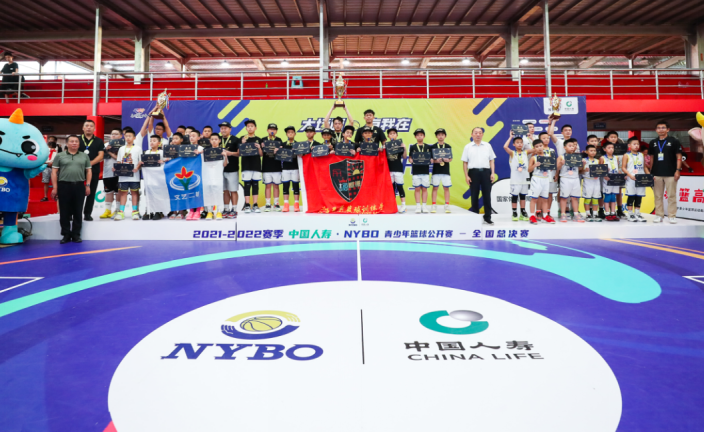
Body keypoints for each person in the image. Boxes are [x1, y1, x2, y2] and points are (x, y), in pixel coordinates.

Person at [51, 135, 92, 244]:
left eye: (76, 141)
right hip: (64, 185)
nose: (74, 143)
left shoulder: (84, 156)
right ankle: (65, 234)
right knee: (64, 211)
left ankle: (76, 234)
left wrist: (87, 185)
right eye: (72, 141)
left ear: (79, 144)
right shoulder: (60, 156)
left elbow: (88, 171)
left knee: (78, 211)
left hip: (79, 185)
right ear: (67, 143)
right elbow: (54, 172)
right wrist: (55, 188)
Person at [648, 121, 682, 224]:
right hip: (656, 173)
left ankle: (672, 216)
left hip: (671, 173)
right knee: (658, 196)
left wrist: (678, 170)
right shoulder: (653, 142)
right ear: (656, 130)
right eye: (658, 128)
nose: (661, 129)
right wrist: (651, 172)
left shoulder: (674, 141)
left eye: (663, 127)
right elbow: (651, 158)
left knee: (671, 195)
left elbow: (679, 156)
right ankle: (659, 215)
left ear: (668, 129)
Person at [462, 127, 498, 225]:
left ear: (482, 134)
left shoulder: (487, 145)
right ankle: (475, 217)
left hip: (486, 172)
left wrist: (492, 173)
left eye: (480, 133)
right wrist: (466, 176)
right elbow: (465, 162)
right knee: (474, 195)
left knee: (487, 195)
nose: (478, 134)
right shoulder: (468, 147)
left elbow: (491, 160)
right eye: (476, 133)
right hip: (473, 173)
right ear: (472, 134)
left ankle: (487, 217)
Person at [79, 119, 105, 221]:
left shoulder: (99, 141)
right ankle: (75, 213)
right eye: (86, 125)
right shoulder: (77, 140)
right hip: (78, 170)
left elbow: (101, 156)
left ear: (94, 128)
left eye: (91, 126)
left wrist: (89, 164)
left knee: (91, 192)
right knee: (77, 193)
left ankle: (87, 214)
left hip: (94, 170)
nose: (88, 127)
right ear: (83, 128)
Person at [114, 129, 143, 221]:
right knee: (123, 193)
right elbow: (119, 161)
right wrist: (116, 168)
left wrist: (137, 168)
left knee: (134, 193)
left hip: (134, 176)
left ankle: (134, 211)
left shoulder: (138, 148)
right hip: (123, 176)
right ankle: (121, 212)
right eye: (126, 136)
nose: (128, 138)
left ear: (134, 138)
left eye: (130, 136)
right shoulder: (121, 149)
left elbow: (140, 161)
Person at [556, 139, 585, 223]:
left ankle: (576, 214)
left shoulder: (577, 157)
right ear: (564, 147)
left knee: (574, 197)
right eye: (570, 146)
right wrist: (561, 163)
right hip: (565, 178)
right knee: (564, 197)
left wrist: (583, 164)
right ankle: (563, 214)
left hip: (575, 178)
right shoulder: (561, 157)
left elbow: (579, 169)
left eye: (573, 146)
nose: (572, 147)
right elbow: (557, 168)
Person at [503, 133, 530, 222]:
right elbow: (505, 147)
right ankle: (514, 212)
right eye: (517, 142)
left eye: (521, 142)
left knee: (523, 196)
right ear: (514, 144)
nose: (519, 144)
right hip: (515, 179)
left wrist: (531, 137)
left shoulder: (526, 152)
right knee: (514, 196)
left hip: (525, 179)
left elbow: (536, 149)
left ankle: (523, 211)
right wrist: (510, 137)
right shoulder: (512, 153)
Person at [528, 140, 556, 225]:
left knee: (545, 199)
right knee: (534, 199)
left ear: (543, 146)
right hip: (537, 179)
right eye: (537, 147)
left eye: (540, 146)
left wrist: (551, 167)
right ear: (534, 148)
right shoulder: (533, 158)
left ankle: (545, 215)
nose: (539, 148)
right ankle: (532, 216)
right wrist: (534, 165)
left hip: (546, 179)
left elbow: (552, 167)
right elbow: (529, 170)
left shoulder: (548, 157)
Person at [142, 135, 169, 221]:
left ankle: (158, 211)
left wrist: (163, 161)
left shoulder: (162, 152)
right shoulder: (146, 152)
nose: (152, 142)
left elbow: (168, 161)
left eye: (154, 141)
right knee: (149, 194)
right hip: (148, 177)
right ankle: (149, 211)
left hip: (158, 178)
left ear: (159, 143)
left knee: (158, 194)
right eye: (150, 141)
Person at [623, 137, 649, 223]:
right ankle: (630, 214)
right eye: (634, 144)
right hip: (631, 178)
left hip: (640, 178)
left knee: (639, 196)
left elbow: (644, 167)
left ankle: (637, 213)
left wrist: (649, 175)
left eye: (638, 144)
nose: (636, 146)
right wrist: (630, 175)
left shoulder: (641, 155)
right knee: (631, 196)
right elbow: (623, 167)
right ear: (629, 145)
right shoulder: (626, 155)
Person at [203, 134, 228, 220]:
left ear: (219, 140)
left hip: (218, 176)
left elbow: (225, 165)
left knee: (219, 193)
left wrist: (225, 156)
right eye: (212, 139)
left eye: (216, 139)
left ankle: (219, 211)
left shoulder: (222, 151)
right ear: (210, 141)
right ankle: (209, 212)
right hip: (207, 176)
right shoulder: (205, 151)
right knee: (208, 193)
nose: (214, 141)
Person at [240, 119, 263, 214]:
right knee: (247, 185)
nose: (250, 128)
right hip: (246, 165)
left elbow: (261, 154)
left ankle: (255, 204)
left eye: (251, 126)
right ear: (246, 128)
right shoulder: (242, 138)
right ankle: (247, 205)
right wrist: (242, 144)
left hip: (256, 165)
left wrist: (259, 147)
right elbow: (239, 153)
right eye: (248, 126)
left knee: (255, 185)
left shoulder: (259, 139)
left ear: (255, 128)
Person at [99, 128, 123, 219]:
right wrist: (105, 150)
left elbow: (120, 159)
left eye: (116, 134)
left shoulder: (123, 146)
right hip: (107, 172)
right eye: (112, 134)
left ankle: (117, 210)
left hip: (119, 172)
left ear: (120, 136)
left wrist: (109, 152)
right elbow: (100, 159)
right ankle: (107, 210)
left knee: (118, 191)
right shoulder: (105, 145)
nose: (113, 135)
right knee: (108, 192)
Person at [219, 122, 240, 219]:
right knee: (225, 190)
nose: (223, 130)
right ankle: (226, 209)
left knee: (233, 190)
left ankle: (234, 209)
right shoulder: (218, 139)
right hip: (220, 169)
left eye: (225, 128)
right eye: (222, 128)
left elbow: (239, 153)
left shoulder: (235, 139)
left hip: (232, 169)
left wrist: (230, 153)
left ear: (230, 129)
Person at [430, 128, 453, 214]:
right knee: (435, 188)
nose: (440, 136)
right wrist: (436, 161)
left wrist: (447, 160)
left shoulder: (448, 146)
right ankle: (433, 205)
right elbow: (431, 160)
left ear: (445, 136)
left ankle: (447, 205)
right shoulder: (433, 147)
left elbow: (450, 159)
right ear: (436, 136)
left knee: (446, 188)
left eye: (442, 135)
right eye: (439, 135)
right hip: (436, 171)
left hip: (445, 171)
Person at [386, 127, 407, 214]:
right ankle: (392, 204)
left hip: (398, 169)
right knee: (391, 188)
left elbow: (404, 157)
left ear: (396, 135)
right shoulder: (386, 145)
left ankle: (403, 205)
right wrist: (382, 149)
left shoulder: (400, 144)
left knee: (399, 187)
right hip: (389, 170)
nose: (392, 135)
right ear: (388, 136)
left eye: (394, 133)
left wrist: (404, 148)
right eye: (390, 134)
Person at [408, 129, 430, 214]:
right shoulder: (413, 147)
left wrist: (431, 160)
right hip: (416, 171)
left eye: (421, 135)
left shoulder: (428, 147)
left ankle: (424, 206)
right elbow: (410, 158)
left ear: (424, 136)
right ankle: (418, 206)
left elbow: (431, 157)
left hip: (425, 171)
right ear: (415, 137)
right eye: (417, 135)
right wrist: (410, 160)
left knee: (424, 189)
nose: (419, 136)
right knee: (417, 188)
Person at [604, 131, 626, 219]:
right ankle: (606, 211)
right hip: (607, 177)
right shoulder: (603, 153)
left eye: (615, 137)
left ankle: (618, 210)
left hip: (617, 175)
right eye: (611, 137)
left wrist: (621, 173)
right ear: (608, 138)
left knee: (618, 192)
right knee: (607, 194)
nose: (613, 139)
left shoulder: (622, 149)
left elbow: (622, 164)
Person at [263, 124, 283, 212]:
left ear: (276, 131)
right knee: (267, 185)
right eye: (271, 129)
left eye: (274, 129)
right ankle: (267, 203)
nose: (272, 131)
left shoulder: (279, 140)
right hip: (266, 166)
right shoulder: (263, 140)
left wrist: (280, 150)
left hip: (277, 166)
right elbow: (260, 153)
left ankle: (276, 203)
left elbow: (283, 154)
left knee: (276, 185)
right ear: (267, 130)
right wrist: (261, 147)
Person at [281, 126, 301, 213]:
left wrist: (298, 151)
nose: (290, 134)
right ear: (286, 134)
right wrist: (278, 150)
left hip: (295, 168)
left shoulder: (298, 145)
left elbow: (302, 155)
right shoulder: (283, 145)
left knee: (296, 186)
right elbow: (279, 155)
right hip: (285, 168)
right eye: (288, 132)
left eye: (292, 132)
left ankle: (296, 204)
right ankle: (286, 204)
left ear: (295, 134)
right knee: (285, 186)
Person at [537, 132, 557, 220]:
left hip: (551, 175)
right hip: (541, 175)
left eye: (547, 138)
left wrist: (556, 174)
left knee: (550, 194)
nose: (546, 140)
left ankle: (547, 212)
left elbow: (555, 163)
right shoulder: (538, 150)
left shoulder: (552, 150)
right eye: (544, 138)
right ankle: (539, 212)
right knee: (540, 194)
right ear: (539, 139)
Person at [582, 145, 603, 222]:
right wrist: (584, 170)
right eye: (591, 151)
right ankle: (588, 214)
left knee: (595, 198)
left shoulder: (597, 161)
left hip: (596, 181)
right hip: (588, 181)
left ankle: (595, 214)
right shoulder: (583, 160)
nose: (593, 152)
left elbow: (601, 171)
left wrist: (605, 170)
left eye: (594, 151)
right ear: (586, 151)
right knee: (587, 198)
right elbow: (580, 171)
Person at [602, 142, 621, 222]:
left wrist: (619, 173)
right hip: (607, 179)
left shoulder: (616, 157)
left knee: (613, 196)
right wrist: (604, 175)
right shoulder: (602, 158)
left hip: (615, 179)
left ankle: (613, 213)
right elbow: (600, 169)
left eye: (612, 147)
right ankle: (607, 213)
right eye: (609, 148)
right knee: (608, 196)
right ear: (604, 149)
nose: (611, 149)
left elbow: (617, 167)